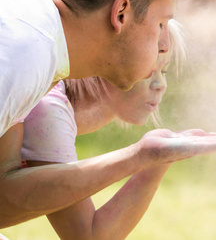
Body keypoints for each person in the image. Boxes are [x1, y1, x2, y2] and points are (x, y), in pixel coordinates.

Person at [0, 0, 216, 229]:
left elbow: (3, 195)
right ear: (121, 13)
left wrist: (148, 156)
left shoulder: (34, 40)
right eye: (160, 23)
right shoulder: (23, 55)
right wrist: (139, 157)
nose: (163, 41)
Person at [17, 20, 190, 239]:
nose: (160, 84)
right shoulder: (47, 110)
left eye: (163, 71)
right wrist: (153, 160)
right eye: (150, 71)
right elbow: (88, 235)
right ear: (112, 59)